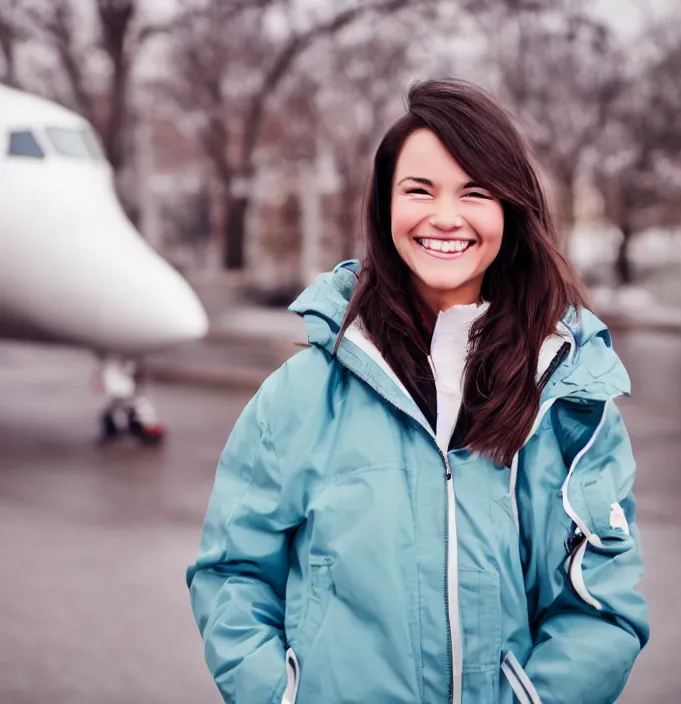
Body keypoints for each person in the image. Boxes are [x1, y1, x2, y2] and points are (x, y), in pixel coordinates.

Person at [186, 78, 649, 704]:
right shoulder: (298, 395)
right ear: (385, 207)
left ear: (511, 210)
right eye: (419, 191)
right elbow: (233, 576)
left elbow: (601, 606)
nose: (445, 217)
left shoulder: (569, 398)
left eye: (475, 192)